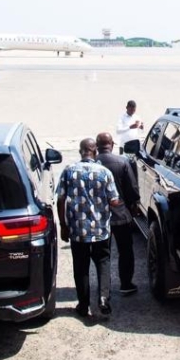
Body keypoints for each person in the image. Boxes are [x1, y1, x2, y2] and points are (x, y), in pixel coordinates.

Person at [56, 137, 122, 319]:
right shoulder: (105, 172)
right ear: (95, 152)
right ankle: (103, 299)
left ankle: (83, 306)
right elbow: (114, 200)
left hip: (78, 230)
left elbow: (60, 199)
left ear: (80, 151)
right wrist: (119, 203)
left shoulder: (69, 171)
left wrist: (63, 225)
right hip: (101, 230)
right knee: (103, 262)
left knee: (81, 267)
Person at [96, 131, 141, 296]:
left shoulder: (92, 164)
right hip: (121, 215)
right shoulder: (122, 161)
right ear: (112, 144)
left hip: (99, 218)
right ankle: (126, 283)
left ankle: (104, 289)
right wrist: (133, 205)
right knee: (126, 251)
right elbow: (132, 189)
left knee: (103, 254)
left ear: (96, 146)